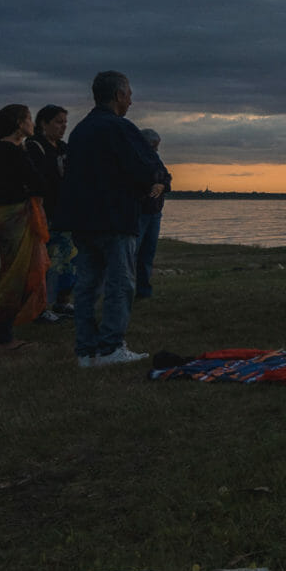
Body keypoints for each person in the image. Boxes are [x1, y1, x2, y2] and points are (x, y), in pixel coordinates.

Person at [64, 71, 167, 368]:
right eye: (129, 94)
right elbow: (147, 168)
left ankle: (85, 351)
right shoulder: (120, 128)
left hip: (83, 219)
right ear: (119, 95)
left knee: (87, 285)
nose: (131, 100)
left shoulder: (80, 131)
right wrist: (151, 182)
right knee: (120, 283)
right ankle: (110, 348)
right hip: (114, 218)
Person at [0, 103, 48, 353]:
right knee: (17, 276)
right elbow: (36, 181)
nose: (33, 124)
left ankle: (3, 332)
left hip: (12, 215)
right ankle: (3, 337)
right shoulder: (9, 151)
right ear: (19, 123)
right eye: (29, 119)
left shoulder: (8, 150)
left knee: (17, 274)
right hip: (15, 217)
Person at [24, 104, 74, 321]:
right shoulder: (34, 146)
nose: (63, 127)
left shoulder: (64, 148)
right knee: (42, 261)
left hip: (65, 213)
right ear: (43, 123)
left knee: (68, 260)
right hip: (43, 213)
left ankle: (62, 302)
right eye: (58, 122)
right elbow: (37, 180)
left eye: (65, 123)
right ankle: (40, 307)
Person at [134, 127, 172, 299]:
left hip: (154, 212)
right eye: (154, 146)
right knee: (133, 252)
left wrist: (162, 185)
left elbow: (167, 177)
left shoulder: (155, 159)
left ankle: (143, 291)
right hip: (140, 212)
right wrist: (152, 184)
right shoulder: (134, 158)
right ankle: (128, 289)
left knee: (148, 253)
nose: (157, 150)